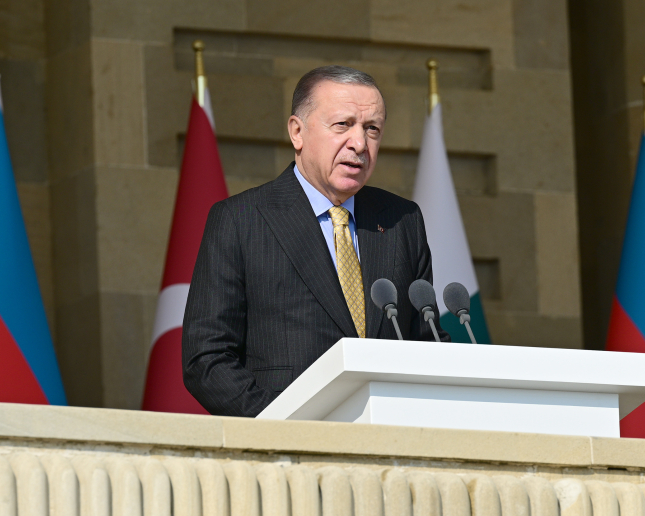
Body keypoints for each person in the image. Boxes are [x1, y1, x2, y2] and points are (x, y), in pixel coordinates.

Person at [182, 65, 449, 417]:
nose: (359, 143)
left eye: (372, 129)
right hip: (288, 439)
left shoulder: (402, 220)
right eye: (343, 125)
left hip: (389, 436)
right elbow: (207, 359)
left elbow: (426, 342)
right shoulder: (240, 219)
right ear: (298, 132)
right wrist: (289, 425)